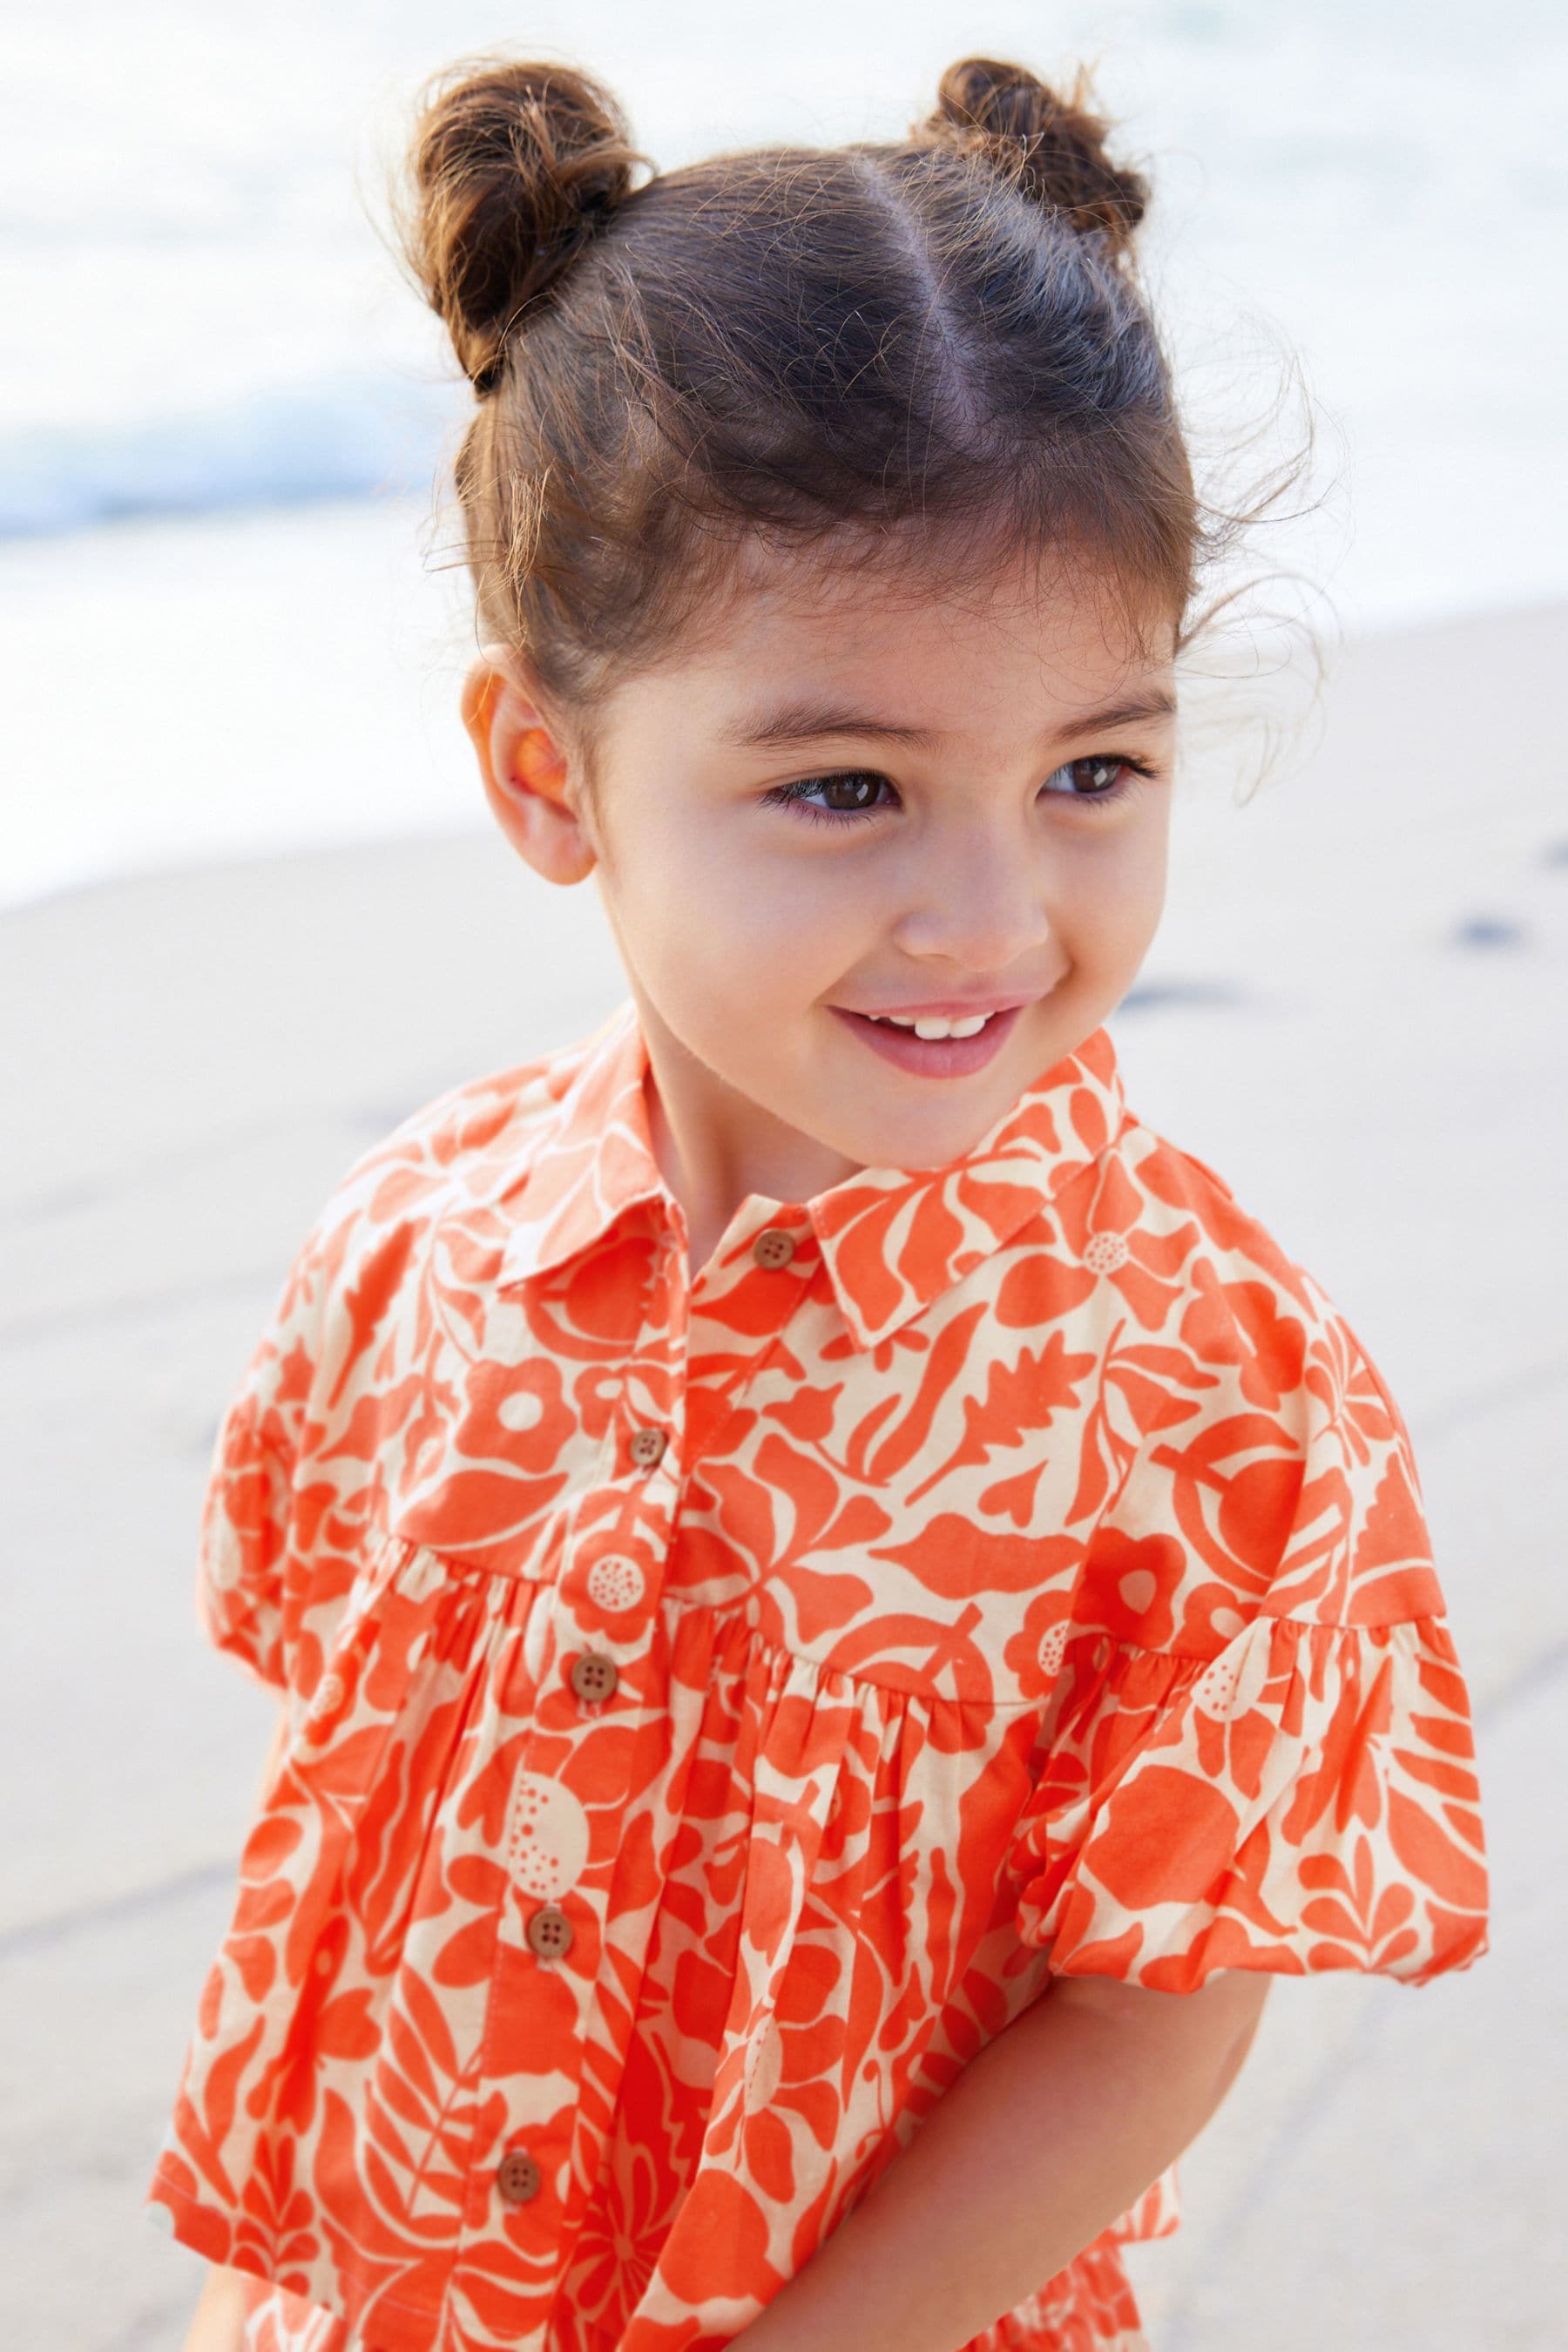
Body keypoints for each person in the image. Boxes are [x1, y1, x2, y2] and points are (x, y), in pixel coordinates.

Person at [151, 47, 1490, 2352]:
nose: (988, 913)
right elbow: (353, 1832)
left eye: (1093, 770)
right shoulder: (412, 1249)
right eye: (851, 784)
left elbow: (1159, 2000)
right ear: (548, 775)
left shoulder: (1197, 1374)